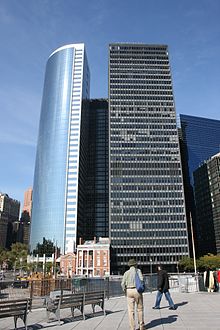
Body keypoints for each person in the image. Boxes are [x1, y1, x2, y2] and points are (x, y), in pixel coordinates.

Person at [121, 259, 145, 330]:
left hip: (129, 291)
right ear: (135, 265)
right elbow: (142, 280)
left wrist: (125, 291)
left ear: (129, 265)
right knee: (140, 309)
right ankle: (141, 326)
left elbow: (122, 284)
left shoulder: (126, 273)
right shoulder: (138, 271)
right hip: (137, 291)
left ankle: (132, 328)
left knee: (130, 311)